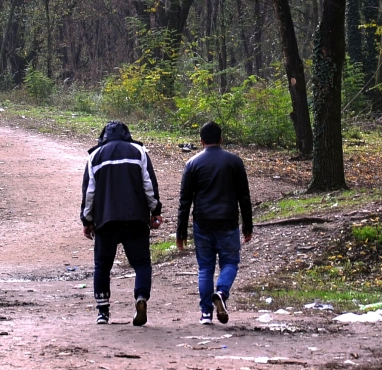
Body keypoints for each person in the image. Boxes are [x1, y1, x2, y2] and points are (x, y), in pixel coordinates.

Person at [80, 121, 163, 326]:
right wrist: (155, 211)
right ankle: (141, 297)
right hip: (135, 218)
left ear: (104, 136)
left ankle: (102, 312)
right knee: (142, 263)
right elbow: (148, 185)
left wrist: (87, 220)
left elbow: (90, 192)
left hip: (106, 220)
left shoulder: (95, 156)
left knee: (102, 265)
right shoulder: (139, 151)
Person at [176, 121, 253, 325]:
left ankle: (205, 314)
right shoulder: (234, 162)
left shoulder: (192, 163)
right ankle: (221, 292)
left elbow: (185, 201)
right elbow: (244, 196)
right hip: (228, 221)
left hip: (202, 222)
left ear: (201, 141)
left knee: (205, 268)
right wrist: (248, 226)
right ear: (221, 139)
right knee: (230, 262)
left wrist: (181, 232)